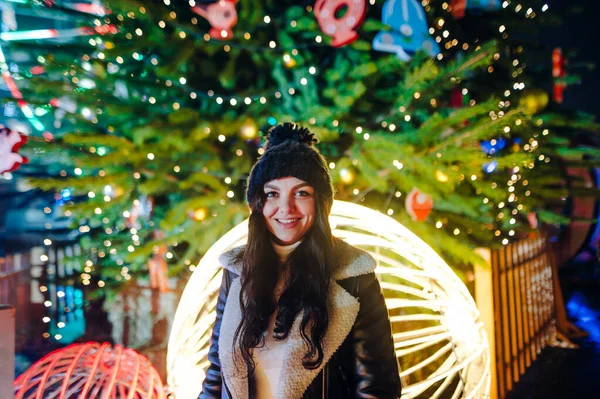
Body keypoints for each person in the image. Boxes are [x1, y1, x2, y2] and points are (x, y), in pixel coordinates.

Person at [200, 123, 401, 399]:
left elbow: (377, 390)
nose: (286, 208)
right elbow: (217, 374)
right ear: (258, 203)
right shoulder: (237, 271)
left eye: (301, 193)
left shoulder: (355, 276)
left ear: (320, 202)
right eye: (272, 193)